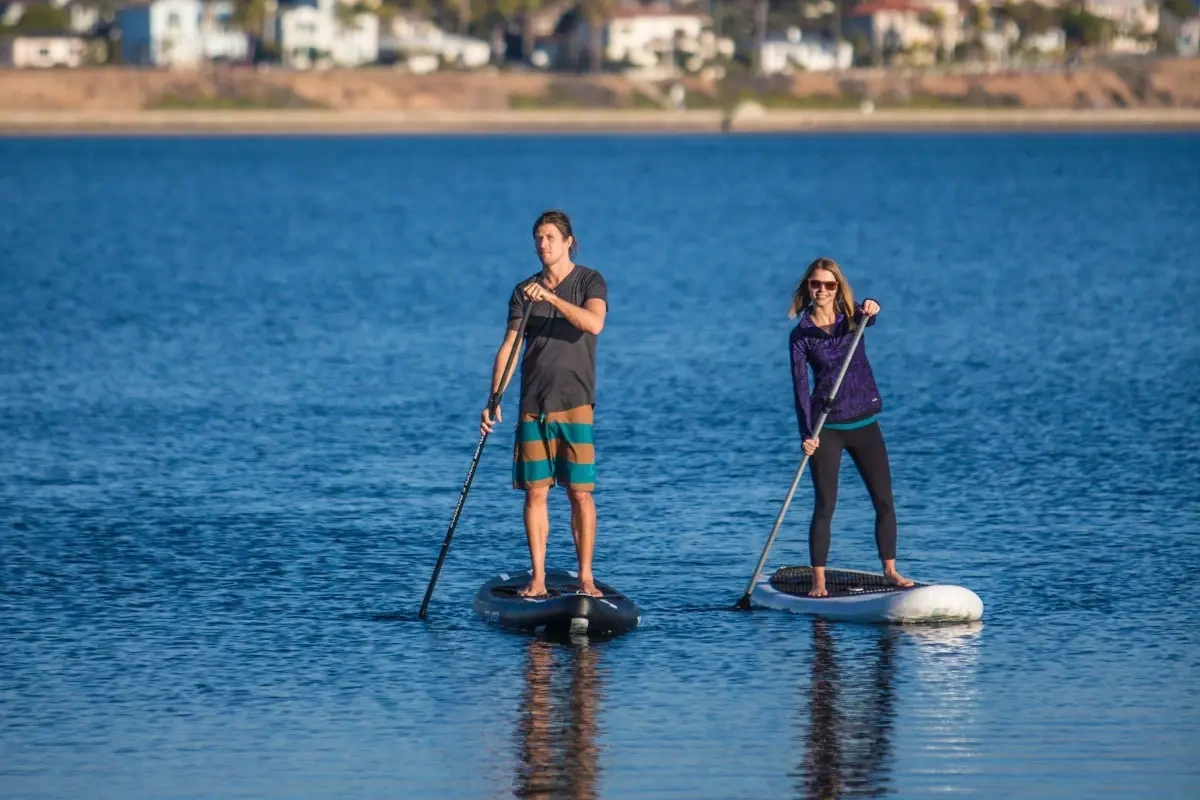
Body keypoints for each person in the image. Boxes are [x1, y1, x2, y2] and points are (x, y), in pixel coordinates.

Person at [480, 210, 608, 598]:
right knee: (536, 492)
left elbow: (594, 323)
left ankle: (585, 578)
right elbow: (509, 348)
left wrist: (551, 298)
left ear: (569, 241)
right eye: (538, 237)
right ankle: (537, 580)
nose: (543, 244)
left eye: (550, 237)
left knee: (580, 493)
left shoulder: (589, 280)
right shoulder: (523, 291)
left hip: (576, 402)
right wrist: (493, 399)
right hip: (533, 403)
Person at [788, 257, 913, 598]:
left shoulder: (853, 318)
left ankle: (890, 571)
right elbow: (800, 387)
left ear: (837, 287)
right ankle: (818, 581)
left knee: (883, 500)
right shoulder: (801, 335)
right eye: (816, 284)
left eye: (829, 284)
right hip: (826, 428)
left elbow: (872, 312)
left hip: (865, 423)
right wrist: (806, 434)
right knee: (825, 504)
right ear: (808, 287)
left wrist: (873, 304)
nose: (822, 290)